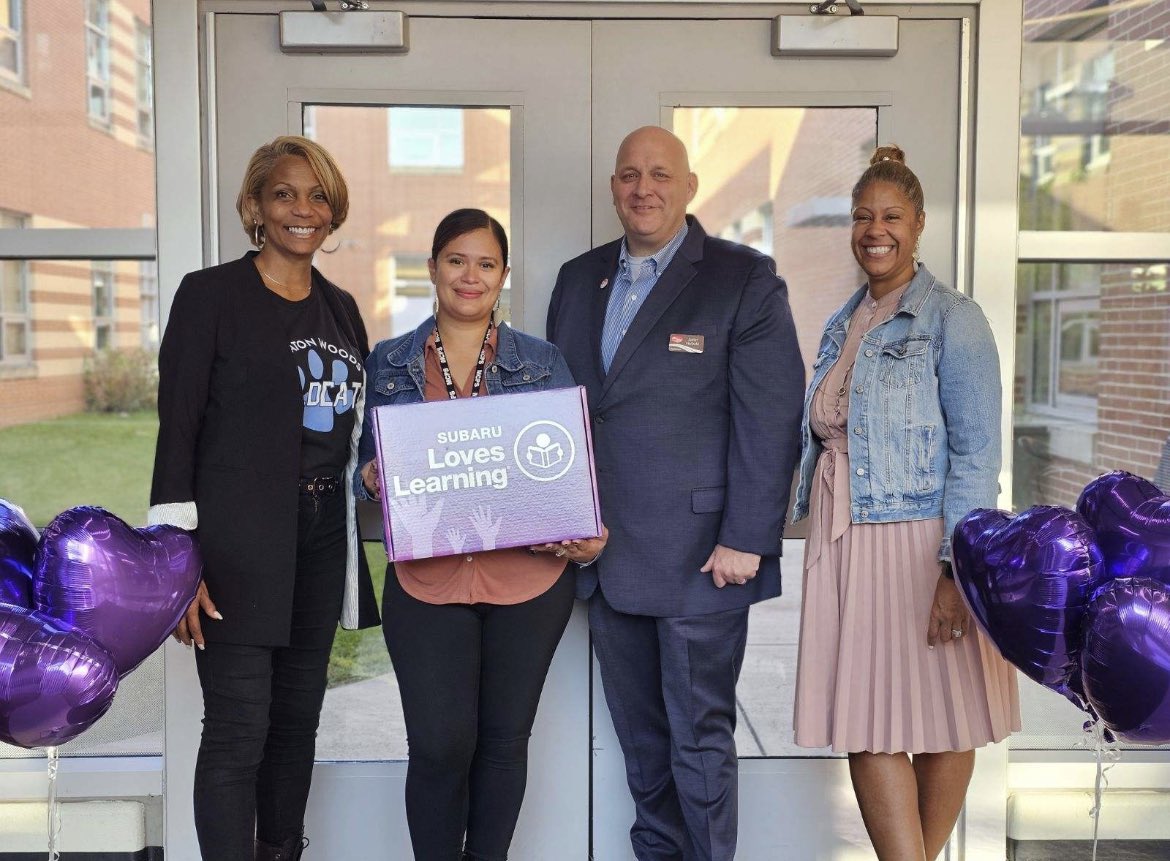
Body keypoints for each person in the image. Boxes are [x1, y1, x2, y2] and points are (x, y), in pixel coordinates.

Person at [547, 127, 805, 860]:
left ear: (689, 186)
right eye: (629, 174)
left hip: (702, 560)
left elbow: (770, 414)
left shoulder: (742, 279)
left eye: (661, 173)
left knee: (698, 746)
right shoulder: (577, 279)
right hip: (603, 557)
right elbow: (558, 410)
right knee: (643, 749)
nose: (643, 188)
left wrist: (748, 536)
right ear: (612, 187)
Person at [148, 136, 379, 861]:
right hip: (236, 545)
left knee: (295, 722)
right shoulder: (210, 295)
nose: (302, 209)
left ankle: (282, 851)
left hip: (319, 543)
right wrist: (176, 563)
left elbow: (355, 433)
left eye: (316, 195)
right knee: (238, 727)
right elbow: (176, 428)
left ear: (332, 209)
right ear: (255, 206)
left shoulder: (342, 310)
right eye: (285, 193)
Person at [356, 208, 608, 861]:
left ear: (503, 276)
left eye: (486, 263)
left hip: (527, 580)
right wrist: (372, 473)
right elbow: (365, 466)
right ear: (434, 266)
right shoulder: (389, 361)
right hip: (426, 577)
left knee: (502, 741)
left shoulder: (542, 360)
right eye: (457, 260)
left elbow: (565, 462)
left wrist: (585, 526)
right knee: (440, 743)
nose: (471, 276)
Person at [791, 145, 1021, 860]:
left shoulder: (954, 318)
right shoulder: (844, 319)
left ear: (918, 223)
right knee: (866, 721)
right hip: (847, 537)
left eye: (891, 215)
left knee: (946, 718)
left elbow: (979, 453)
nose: (874, 229)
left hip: (923, 543)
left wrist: (957, 567)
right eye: (862, 216)